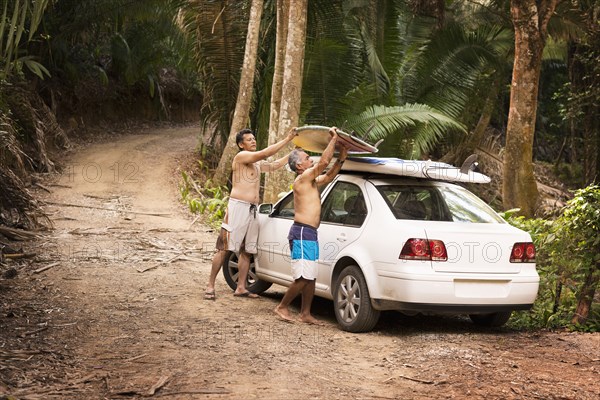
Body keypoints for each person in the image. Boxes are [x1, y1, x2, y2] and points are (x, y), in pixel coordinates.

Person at [204, 127, 297, 300]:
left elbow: (274, 165)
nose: (253, 141)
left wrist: (293, 154)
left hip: (253, 209)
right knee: (224, 248)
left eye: (254, 138)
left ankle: (241, 287)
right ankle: (210, 285)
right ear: (241, 144)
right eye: (249, 139)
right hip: (238, 207)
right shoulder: (241, 157)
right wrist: (288, 139)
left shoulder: (255, 163)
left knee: (247, 250)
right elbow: (265, 153)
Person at [274, 127, 348, 324]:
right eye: (307, 158)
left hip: (310, 233)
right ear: (299, 166)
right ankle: (281, 307)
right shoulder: (302, 179)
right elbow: (324, 162)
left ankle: (305, 313)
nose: (311, 160)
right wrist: (333, 139)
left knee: (311, 277)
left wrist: (342, 157)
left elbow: (329, 175)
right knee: (303, 277)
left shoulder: (311, 180)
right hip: (301, 232)